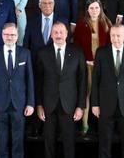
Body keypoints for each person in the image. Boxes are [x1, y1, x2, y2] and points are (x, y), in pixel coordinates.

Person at [35, 22, 86, 158]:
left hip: (69, 105)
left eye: (61, 32)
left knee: (69, 143)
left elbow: (82, 82)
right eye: (55, 32)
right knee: (49, 143)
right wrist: (39, 105)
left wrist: (80, 106)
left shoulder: (77, 53)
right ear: (51, 35)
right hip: (48, 106)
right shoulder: (42, 53)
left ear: (67, 34)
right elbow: (38, 82)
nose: (58, 35)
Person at [91, 22, 124, 158]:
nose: (116, 39)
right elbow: (96, 80)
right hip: (106, 105)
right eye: (113, 35)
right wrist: (95, 104)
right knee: (104, 144)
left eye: (119, 36)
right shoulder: (101, 52)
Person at [0, 23, 35, 158]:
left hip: (20, 103)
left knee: (18, 140)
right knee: (2, 140)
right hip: (0, 103)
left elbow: (30, 80)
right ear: (2, 35)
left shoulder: (25, 53)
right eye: (7, 34)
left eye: (12, 35)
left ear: (17, 36)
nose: (9, 37)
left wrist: (30, 103)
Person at [73, 0, 111, 130]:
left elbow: (110, 46)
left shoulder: (107, 23)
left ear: (100, 9)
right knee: (87, 94)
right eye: (91, 8)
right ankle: (84, 123)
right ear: (87, 10)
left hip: (102, 66)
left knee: (101, 93)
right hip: (87, 65)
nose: (94, 10)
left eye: (97, 7)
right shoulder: (81, 24)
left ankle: (101, 124)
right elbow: (76, 46)